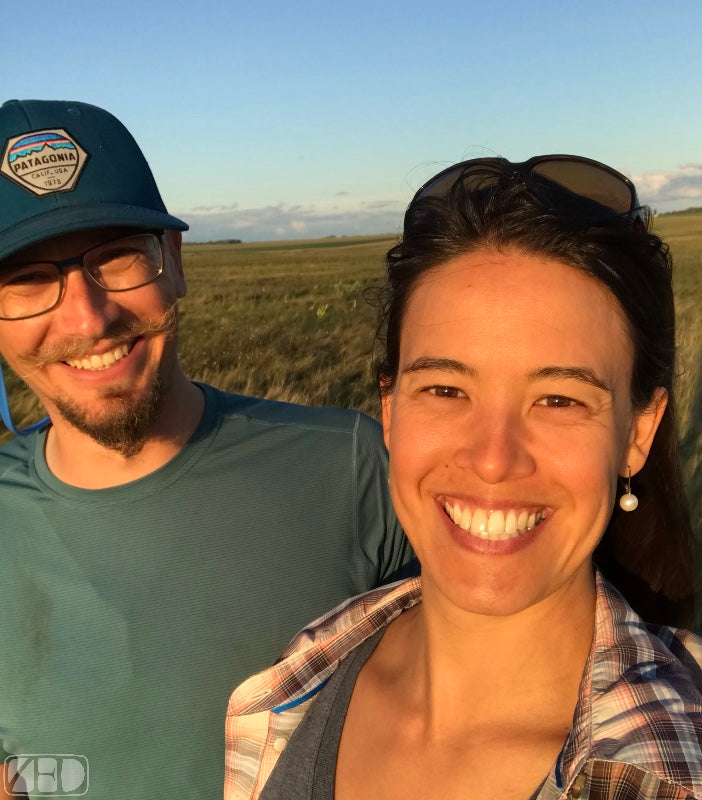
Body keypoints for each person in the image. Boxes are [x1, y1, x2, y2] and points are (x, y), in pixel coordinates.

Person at [225, 155, 702, 799]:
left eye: (559, 399)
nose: (493, 458)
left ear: (639, 433)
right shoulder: (297, 680)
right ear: (389, 410)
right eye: (444, 388)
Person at [0, 99, 415, 800]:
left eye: (119, 256)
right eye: (25, 280)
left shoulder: (351, 467)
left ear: (175, 262)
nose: (88, 316)